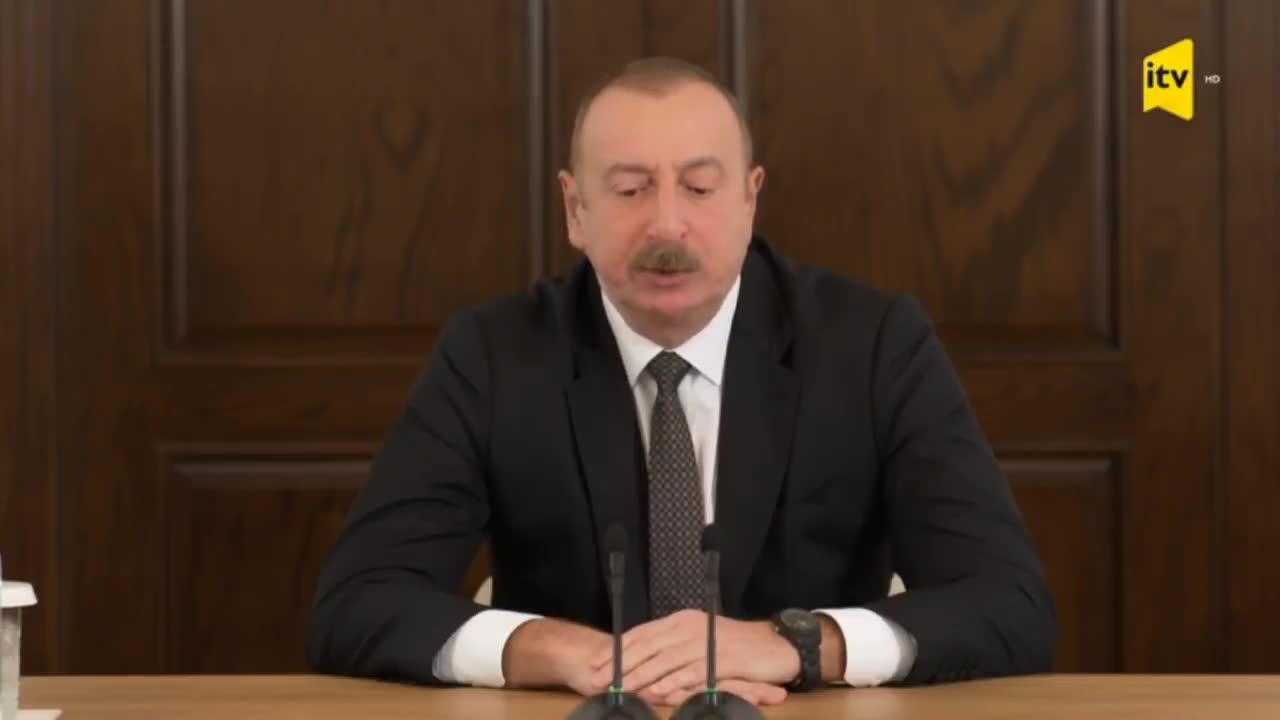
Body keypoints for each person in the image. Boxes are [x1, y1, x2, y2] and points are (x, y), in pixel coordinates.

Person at [306, 56, 1056, 708]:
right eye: (631, 190)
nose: (667, 227)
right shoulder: (494, 355)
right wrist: (557, 651)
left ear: (749, 198)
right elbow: (357, 602)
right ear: (576, 208)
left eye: (698, 188)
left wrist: (797, 644)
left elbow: (1010, 603)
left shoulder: (872, 346)